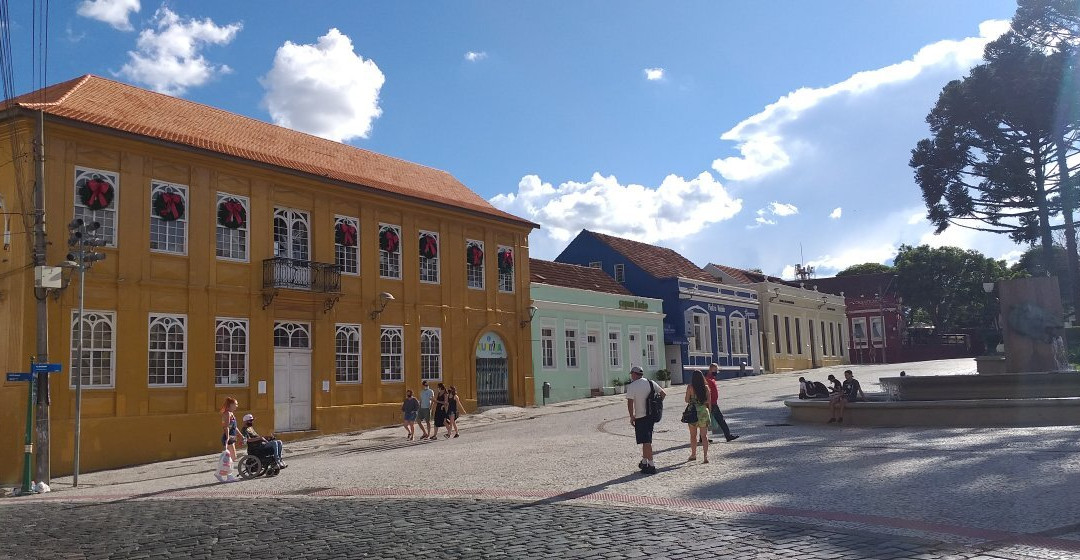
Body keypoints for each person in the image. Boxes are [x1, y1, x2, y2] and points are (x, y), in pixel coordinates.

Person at [626, 365, 666, 475]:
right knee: (645, 440)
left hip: (640, 416)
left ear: (634, 374)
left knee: (647, 441)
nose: (631, 376)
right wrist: (656, 404)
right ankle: (644, 462)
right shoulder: (650, 382)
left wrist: (631, 416)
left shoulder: (632, 386)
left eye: (632, 374)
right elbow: (663, 393)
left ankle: (652, 465)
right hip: (651, 416)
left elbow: (630, 403)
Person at [706, 364, 740, 442]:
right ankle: (728, 436)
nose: (716, 372)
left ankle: (702, 438)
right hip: (711, 403)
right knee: (720, 420)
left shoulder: (712, 378)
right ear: (710, 369)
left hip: (713, 403)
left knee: (707, 421)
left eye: (717, 370)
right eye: (715, 370)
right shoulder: (708, 379)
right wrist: (709, 403)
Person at [685, 370, 711, 463]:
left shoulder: (690, 387)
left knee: (693, 436)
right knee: (704, 436)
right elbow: (709, 401)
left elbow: (686, 400)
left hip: (693, 413)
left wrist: (693, 400)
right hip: (703, 412)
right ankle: (705, 456)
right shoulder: (706, 387)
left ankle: (693, 454)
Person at [220, 397, 240, 464]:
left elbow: (235, 427)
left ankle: (227, 472)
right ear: (231, 405)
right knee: (232, 457)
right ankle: (225, 472)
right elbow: (226, 427)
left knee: (231, 458)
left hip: (232, 437)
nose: (237, 406)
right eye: (236, 404)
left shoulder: (231, 413)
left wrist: (241, 435)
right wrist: (228, 437)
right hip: (228, 437)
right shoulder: (227, 413)